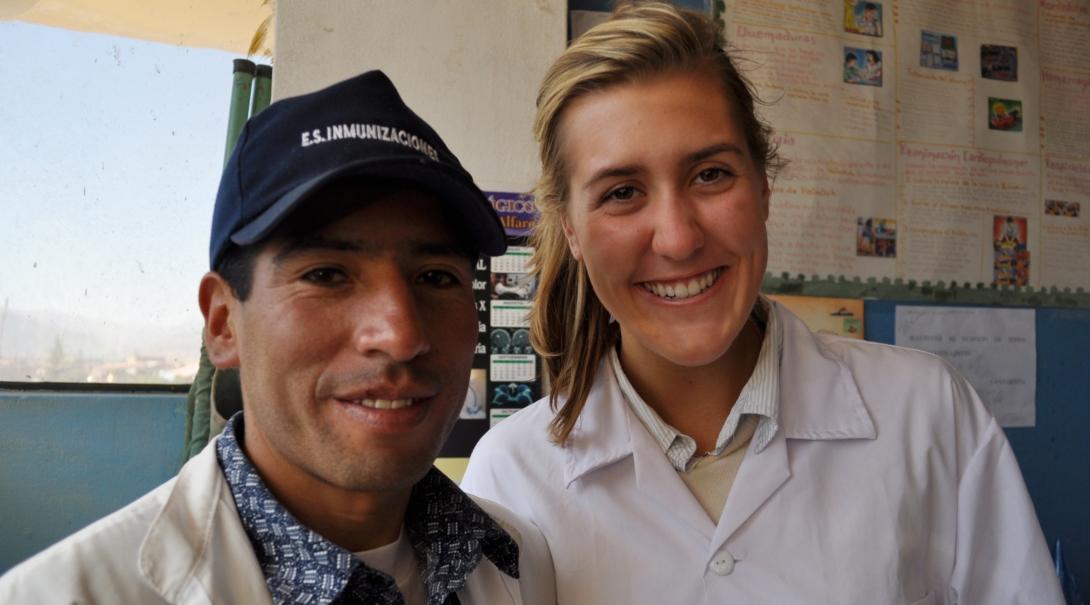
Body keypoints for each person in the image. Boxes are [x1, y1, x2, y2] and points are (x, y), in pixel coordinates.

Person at [461, 3, 1063, 604]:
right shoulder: (514, 476)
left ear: (764, 183)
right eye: (622, 192)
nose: (677, 239)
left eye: (710, 175)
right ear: (569, 228)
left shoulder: (927, 414)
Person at [0, 70, 555, 605]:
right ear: (222, 323)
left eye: (436, 278)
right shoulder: (64, 594)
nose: (401, 335)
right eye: (326, 275)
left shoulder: (521, 560)